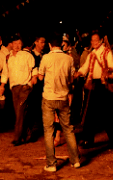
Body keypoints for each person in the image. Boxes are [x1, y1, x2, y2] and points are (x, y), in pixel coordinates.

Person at [38, 35, 81, 172]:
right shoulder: (68, 58)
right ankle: (76, 161)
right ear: (61, 45)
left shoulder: (45, 58)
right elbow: (71, 79)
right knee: (68, 129)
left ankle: (51, 164)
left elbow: (40, 76)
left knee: (48, 131)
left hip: (49, 98)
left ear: (50, 45)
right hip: (63, 98)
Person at [76, 32, 113, 147]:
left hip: (103, 84)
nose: (94, 42)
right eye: (92, 41)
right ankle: (87, 139)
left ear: (101, 40)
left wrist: (107, 71)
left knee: (107, 112)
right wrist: (79, 73)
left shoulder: (106, 52)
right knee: (89, 113)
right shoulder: (91, 54)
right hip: (93, 83)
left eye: (96, 40)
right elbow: (85, 67)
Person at [0, 35, 38, 145]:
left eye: (19, 44)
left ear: (22, 45)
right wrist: (2, 86)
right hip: (14, 88)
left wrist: (31, 83)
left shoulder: (27, 55)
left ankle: (17, 137)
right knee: (20, 112)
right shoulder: (8, 58)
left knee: (20, 111)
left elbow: (34, 69)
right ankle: (27, 133)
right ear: (11, 44)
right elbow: (5, 73)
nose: (17, 46)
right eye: (15, 43)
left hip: (25, 87)